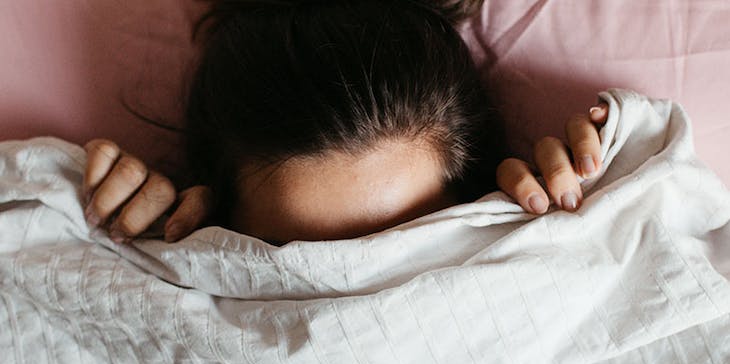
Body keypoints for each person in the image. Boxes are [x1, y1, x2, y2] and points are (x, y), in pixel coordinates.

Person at [82, 0, 609, 245]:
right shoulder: (190, 236)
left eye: (407, 239)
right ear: (222, 217)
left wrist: (596, 202)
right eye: (301, 256)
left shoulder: (522, 225)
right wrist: (132, 234)